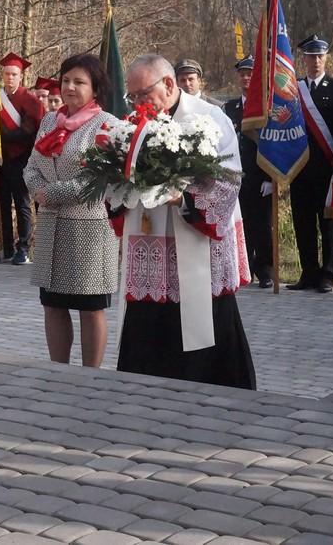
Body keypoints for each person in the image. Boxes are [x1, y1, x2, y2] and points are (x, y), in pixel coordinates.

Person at [114, 54, 256, 389]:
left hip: (196, 246)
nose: (137, 103)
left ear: (168, 84)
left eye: (142, 94)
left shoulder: (209, 118)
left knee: (205, 332)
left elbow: (228, 182)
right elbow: (118, 181)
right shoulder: (132, 125)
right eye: (132, 96)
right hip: (150, 243)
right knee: (147, 329)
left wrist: (181, 196)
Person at [25, 54, 118, 368]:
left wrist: (50, 193)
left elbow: (97, 178)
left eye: (79, 82)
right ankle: (58, 370)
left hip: (88, 228)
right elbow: (31, 166)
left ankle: (90, 373)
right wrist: (37, 189)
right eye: (66, 80)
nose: (70, 87)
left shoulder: (107, 124)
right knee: (53, 303)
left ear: (95, 88)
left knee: (90, 307)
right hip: (51, 225)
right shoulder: (49, 121)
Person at [288, 34, 333, 293]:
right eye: (311, 56)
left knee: (328, 224)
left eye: (320, 56)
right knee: (303, 223)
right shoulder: (293, 88)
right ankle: (309, 273)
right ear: (304, 59)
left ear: (326, 58)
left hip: (327, 168)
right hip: (300, 168)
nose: (315, 61)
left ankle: (329, 274)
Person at [0, 52, 44, 265]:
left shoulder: (30, 100)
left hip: (22, 158)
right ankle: (6, 247)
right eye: (6, 74)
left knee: (21, 203)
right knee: (2, 203)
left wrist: (2, 136)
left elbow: (28, 132)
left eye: (14, 74)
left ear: (21, 76)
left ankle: (23, 247)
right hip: (0, 159)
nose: (10, 77)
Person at [222, 55, 273, 288]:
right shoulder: (230, 107)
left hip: (260, 176)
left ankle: (265, 270)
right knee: (241, 224)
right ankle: (245, 268)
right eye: (242, 74)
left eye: (250, 74)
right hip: (236, 175)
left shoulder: (266, 108)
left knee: (262, 226)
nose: (246, 78)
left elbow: (272, 144)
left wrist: (270, 178)